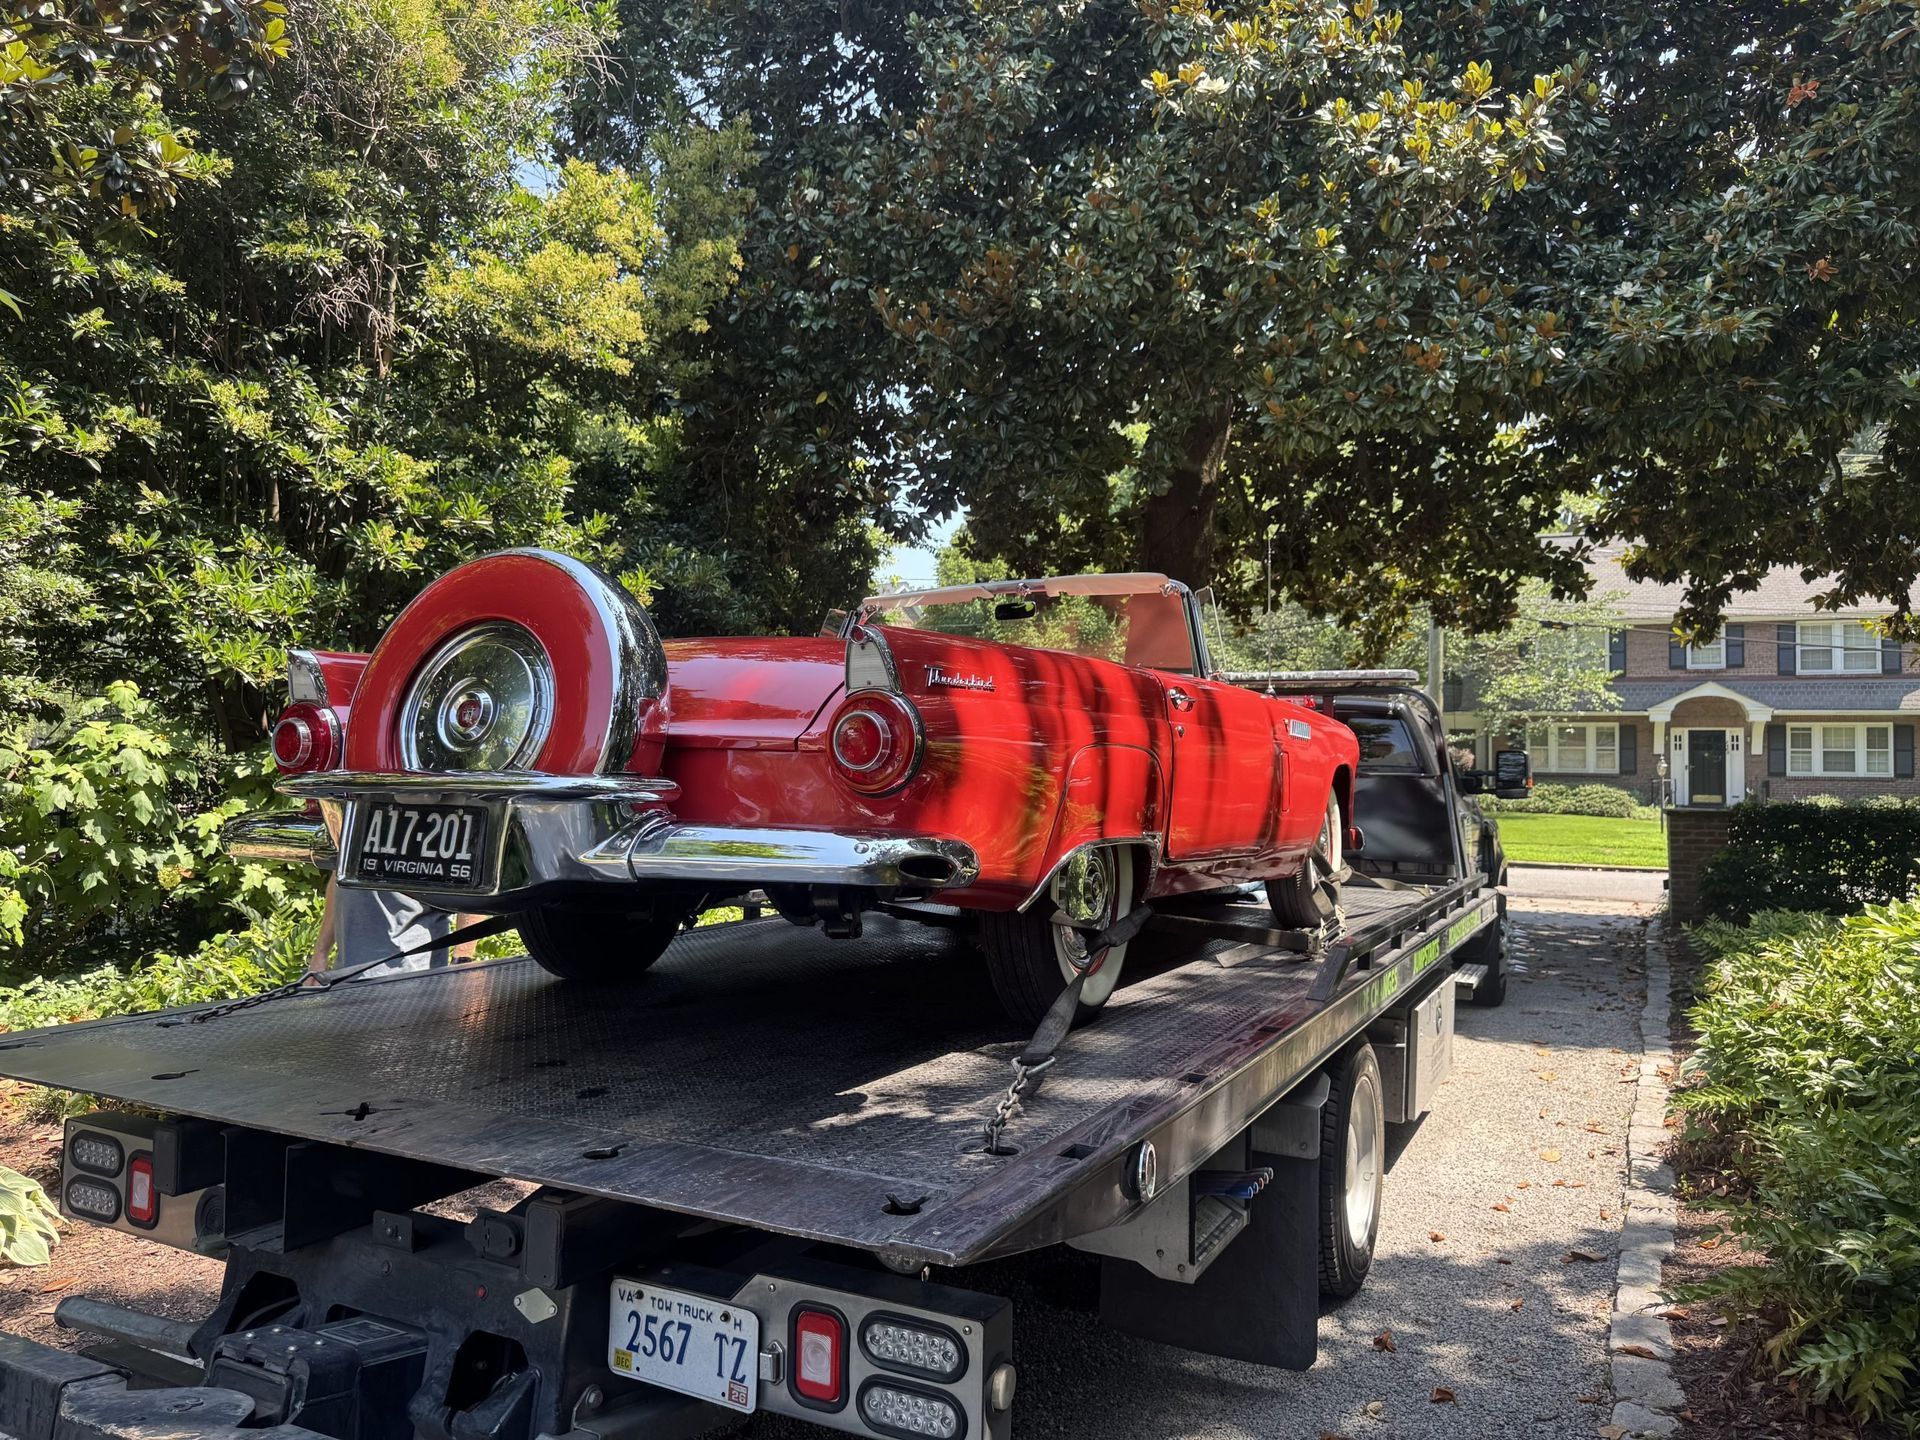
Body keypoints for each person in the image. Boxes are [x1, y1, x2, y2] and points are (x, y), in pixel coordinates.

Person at [308, 876, 477, 979]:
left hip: (409, 975)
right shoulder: (354, 821)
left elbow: (475, 887)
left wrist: (462, 961)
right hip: (346, 973)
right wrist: (320, 955)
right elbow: (338, 875)